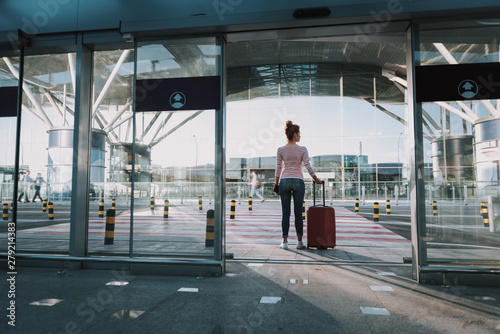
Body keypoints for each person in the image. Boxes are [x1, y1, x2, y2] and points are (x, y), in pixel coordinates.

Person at [274, 121, 322, 250]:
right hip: (298, 181)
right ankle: (299, 242)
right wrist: (316, 179)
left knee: (285, 213)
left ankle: (284, 242)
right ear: (295, 135)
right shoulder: (302, 149)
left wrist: (276, 184)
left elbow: (278, 168)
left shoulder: (280, 150)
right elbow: (307, 166)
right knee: (298, 213)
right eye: (299, 133)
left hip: (284, 181)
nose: (300, 136)